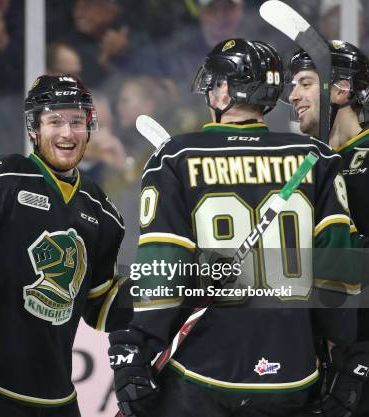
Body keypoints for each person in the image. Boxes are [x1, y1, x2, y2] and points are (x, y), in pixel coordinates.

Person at [108, 39, 358, 417]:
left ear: (225, 89)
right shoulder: (316, 160)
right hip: (292, 375)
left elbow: (163, 266)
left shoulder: (176, 157)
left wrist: (138, 343)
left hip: (203, 374)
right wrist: (347, 352)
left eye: (213, 83)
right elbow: (338, 275)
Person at [0, 74, 131, 417]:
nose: (67, 133)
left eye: (77, 121)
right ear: (34, 128)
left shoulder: (102, 212)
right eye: (55, 121)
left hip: (56, 399)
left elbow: (102, 308)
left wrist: (168, 283)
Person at [286, 39, 369, 417]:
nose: (292, 95)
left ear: (341, 88)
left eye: (304, 82)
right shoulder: (306, 166)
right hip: (317, 356)